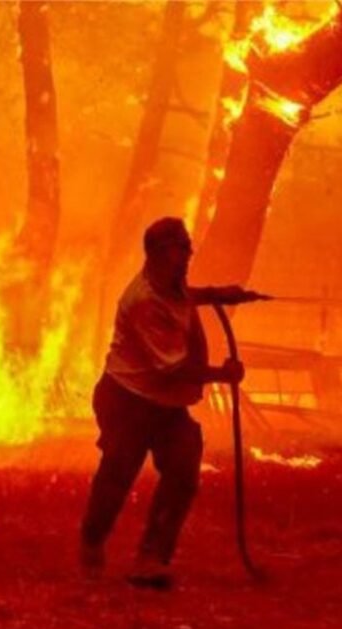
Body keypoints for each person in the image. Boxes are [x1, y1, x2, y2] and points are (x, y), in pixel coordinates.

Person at [80, 216, 264, 590]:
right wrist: (221, 375)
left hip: (164, 406)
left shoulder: (168, 285)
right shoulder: (143, 301)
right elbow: (173, 369)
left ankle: (151, 558)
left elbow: (182, 295)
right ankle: (92, 541)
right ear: (158, 253)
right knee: (118, 475)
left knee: (182, 472)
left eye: (188, 247)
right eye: (180, 248)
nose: (188, 255)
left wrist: (218, 293)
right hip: (127, 401)